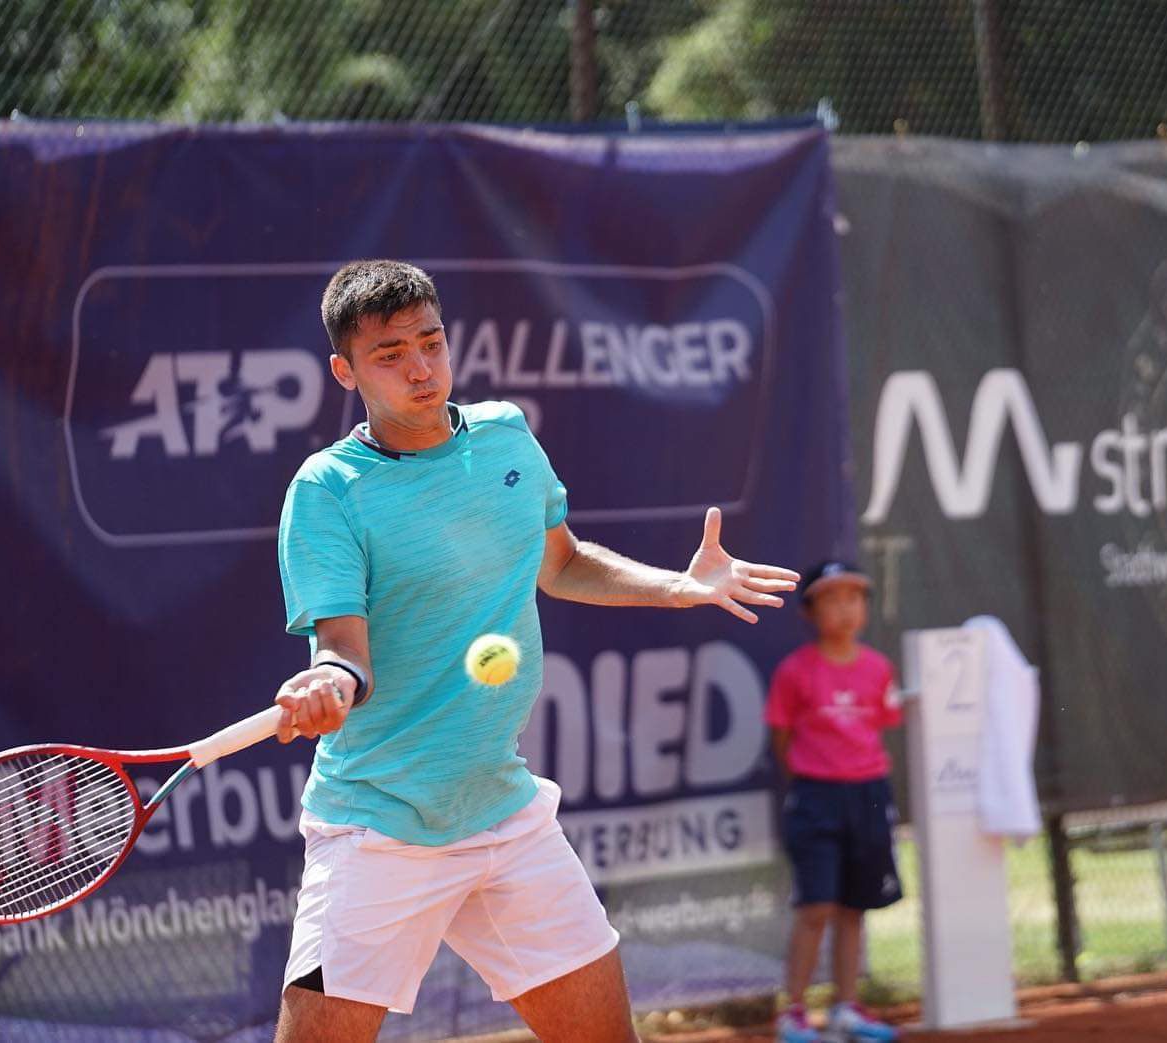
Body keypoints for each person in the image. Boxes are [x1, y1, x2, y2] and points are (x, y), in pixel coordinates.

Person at [269, 260, 800, 1043]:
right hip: (380, 826)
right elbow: (345, 649)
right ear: (346, 371)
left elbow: (562, 562)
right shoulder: (327, 490)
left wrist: (677, 586)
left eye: (431, 341)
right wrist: (327, 683)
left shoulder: (504, 434)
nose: (420, 367)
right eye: (390, 354)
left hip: (502, 813)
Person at [766, 561, 904, 1043]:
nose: (845, 609)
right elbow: (782, 737)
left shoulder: (879, 668)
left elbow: (882, 724)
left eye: (854, 597)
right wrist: (814, 777)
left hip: (869, 797)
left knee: (853, 907)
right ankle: (794, 1014)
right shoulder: (795, 672)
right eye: (832, 598)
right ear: (810, 611)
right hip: (815, 798)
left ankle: (847, 1009)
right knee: (816, 908)